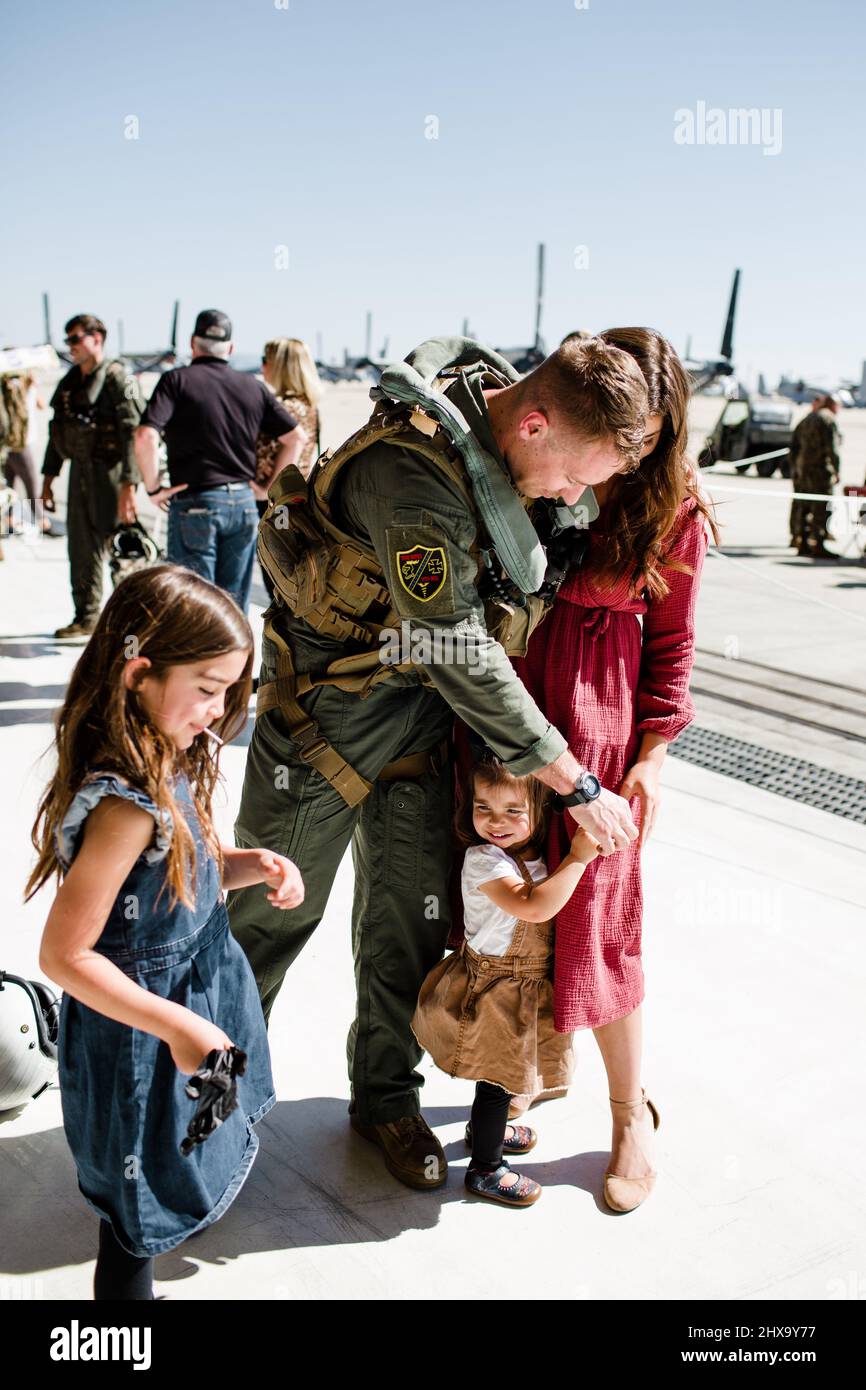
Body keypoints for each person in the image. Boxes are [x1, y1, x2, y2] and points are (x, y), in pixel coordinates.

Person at [227, 333, 648, 1192]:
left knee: (408, 927)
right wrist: (574, 781)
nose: (574, 497)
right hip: (323, 727)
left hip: (417, 728)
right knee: (265, 926)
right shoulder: (414, 476)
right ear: (532, 425)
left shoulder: (499, 442)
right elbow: (451, 639)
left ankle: (385, 1096)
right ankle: (202, 1110)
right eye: (574, 474)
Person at [25, 564, 304, 1300]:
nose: (218, 710)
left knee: (177, 1161)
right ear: (140, 673)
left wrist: (248, 865)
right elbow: (65, 953)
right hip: (141, 1039)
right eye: (208, 688)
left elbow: (178, 871)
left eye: (229, 692)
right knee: (133, 1217)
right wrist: (179, 1027)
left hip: (190, 999)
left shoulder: (165, 754)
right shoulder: (126, 806)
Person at [514, 327, 718, 1213]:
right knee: (509, 898)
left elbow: (672, 644)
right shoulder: (554, 465)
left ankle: (630, 1114)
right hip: (512, 701)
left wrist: (655, 757)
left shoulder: (674, 510)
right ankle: (514, 1074)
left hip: (599, 721)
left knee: (603, 922)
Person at [411, 753, 600, 1206]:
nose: (496, 822)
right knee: (497, 1082)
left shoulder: (532, 856)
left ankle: (484, 1133)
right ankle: (487, 1168)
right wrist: (577, 858)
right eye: (484, 808)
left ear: (539, 809)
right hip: (497, 988)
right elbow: (534, 908)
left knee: (509, 1077)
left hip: (525, 985)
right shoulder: (484, 860)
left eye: (513, 810)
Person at [134, 310, 307, 613]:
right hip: (242, 505)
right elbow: (297, 438)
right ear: (230, 348)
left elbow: (145, 437)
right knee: (232, 609)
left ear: (192, 344)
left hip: (195, 503)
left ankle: (197, 660)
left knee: (193, 607)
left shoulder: (176, 381)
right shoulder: (252, 386)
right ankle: (235, 661)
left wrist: (152, 488)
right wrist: (267, 490)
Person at [40, 315, 144, 638]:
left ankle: (130, 624)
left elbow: (133, 433)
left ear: (96, 338)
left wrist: (129, 486)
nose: (70, 346)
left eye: (75, 339)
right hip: (80, 473)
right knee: (81, 549)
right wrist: (47, 479)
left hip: (111, 475)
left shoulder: (117, 378)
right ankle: (87, 616)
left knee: (120, 550)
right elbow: (57, 431)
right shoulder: (71, 383)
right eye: (68, 339)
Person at [255, 337, 322, 602]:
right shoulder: (309, 405)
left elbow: (289, 449)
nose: (262, 367)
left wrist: (263, 488)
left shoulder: (282, 407)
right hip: (300, 501)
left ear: (279, 366)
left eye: (265, 360)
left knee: (276, 582)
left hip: (275, 503)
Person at [788, 393, 842, 558]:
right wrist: (836, 470)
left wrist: (797, 467)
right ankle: (818, 543)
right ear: (833, 405)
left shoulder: (807, 418)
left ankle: (802, 542)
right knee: (821, 507)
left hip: (804, 472)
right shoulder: (828, 419)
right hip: (820, 472)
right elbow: (832, 449)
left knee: (804, 506)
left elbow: (793, 446)